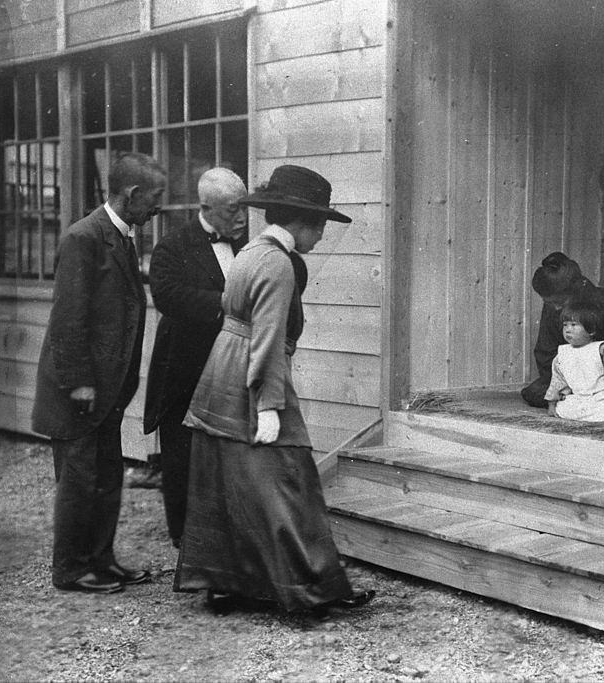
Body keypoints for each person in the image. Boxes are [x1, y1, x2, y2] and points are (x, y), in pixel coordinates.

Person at [176, 165, 374, 615]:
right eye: (319, 227)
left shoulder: (249, 251)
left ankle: (226, 585)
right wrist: (269, 406)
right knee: (291, 481)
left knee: (229, 483)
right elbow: (266, 338)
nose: (320, 238)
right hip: (252, 378)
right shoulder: (279, 264)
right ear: (302, 223)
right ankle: (311, 588)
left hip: (220, 374)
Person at [33, 152, 165, 594]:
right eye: (155, 197)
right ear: (131, 195)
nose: (158, 207)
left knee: (106, 477)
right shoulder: (83, 238)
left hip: (106, 390)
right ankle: (72, 569)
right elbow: (68, 319)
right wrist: (81, 382)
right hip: (80, 390)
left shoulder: (121, 235)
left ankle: (102, 560)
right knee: (79, 481)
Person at [143, 168, 249, 549]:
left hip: (235, 363)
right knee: (182, 450)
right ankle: (185, 535)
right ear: (205, 208)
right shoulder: (173, 246)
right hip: (186, 365)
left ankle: (228, 530)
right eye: (231, 211)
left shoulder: (250, 245)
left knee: (229, 450)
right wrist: (229, 305)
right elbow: (169, 296)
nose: (241, 219)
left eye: (244, 209)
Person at [521, 252, 604, 409]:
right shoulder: (552, 306)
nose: (555, 308)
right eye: (549, 302)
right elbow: (545, 352)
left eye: (559, 302)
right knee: (533, 392)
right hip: (568, 378)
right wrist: (565, 378)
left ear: (574, 289)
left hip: (601, 378)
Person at [544, 298, 604, 422]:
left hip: (603, 397)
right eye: (565, 325)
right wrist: (552, 404)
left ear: (591, 330)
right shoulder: (562, 354)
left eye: (574, 325)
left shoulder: (602, 349)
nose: (568, 329)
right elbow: (557, 382)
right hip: (580, 398)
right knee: (564, 407)